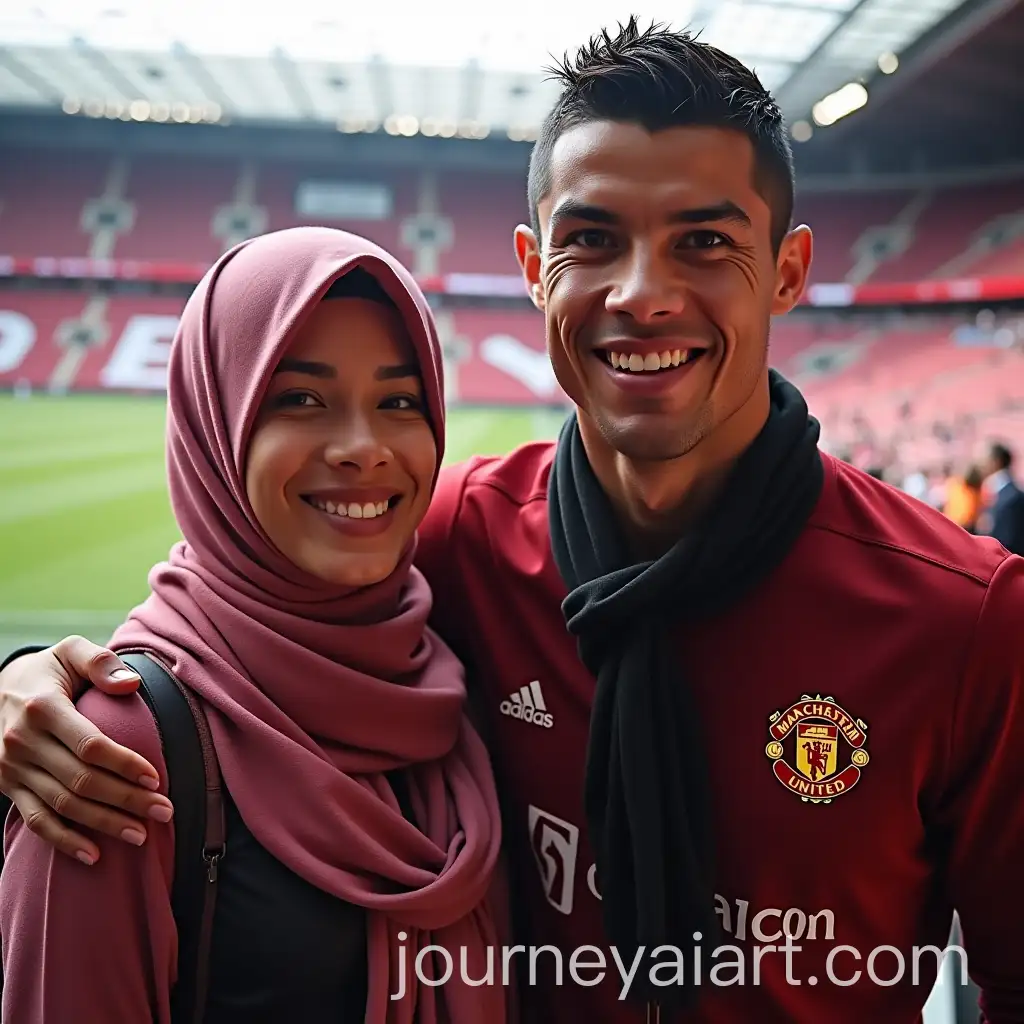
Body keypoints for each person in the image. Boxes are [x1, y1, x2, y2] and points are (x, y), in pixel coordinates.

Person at [2, 19, 1024, 1024]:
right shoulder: (451, 542)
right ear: (535, 269)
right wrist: (32, 679)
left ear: (790, 271)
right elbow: (232, 622)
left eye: (705, 242)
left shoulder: (963, 618)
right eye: (593, 240)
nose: (642, 294)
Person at [0, 227, 510, 1023]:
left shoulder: (453, 680)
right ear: (215, 425)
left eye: (399, 401)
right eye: (300, 399)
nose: (363, 448)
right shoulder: (111, 755)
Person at [978, 442, 1024, 554]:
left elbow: (1009, 540)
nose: (981, 464)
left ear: (996, 462)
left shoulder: (1012, 497)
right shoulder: (995, 491)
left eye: (985, 459)